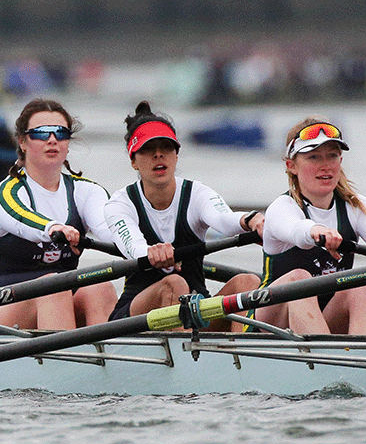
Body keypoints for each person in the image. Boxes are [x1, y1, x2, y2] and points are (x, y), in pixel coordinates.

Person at [103, 101, 266, 322]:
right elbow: (132, 245)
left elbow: (224, 219)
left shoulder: (197, 193)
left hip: (197, 313)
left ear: (176, 155)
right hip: (135, 319)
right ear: (133, 160)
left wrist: (252, 220)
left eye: (166, 147)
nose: (159, 155)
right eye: (148, 149)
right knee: (174, 284)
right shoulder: (120, 203)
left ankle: (239, 353)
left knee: (247, 282)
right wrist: (150, 253)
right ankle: (187, 353)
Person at [0, 99, 117, 329]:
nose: (52, 140)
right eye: (41, 133)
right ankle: (66, 361)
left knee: (101, 287)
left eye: (61, 133)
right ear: (22, 142)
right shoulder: (7, 192)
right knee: (52, 287)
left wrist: (148, 248)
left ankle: (109, 359)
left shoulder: (87, 191)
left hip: (62, 295)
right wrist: (53, 229)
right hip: (7, 307)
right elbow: (20, 217)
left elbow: (111, 231)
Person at [248, 117, 366, 335]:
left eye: (332, 156)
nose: (326, 165)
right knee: (299, 278)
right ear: (291, 166)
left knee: (364, 283)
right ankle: (327, 361)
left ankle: (364, 358)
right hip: (271, 321)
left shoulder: (358, 207)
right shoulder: (282, 207)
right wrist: (316, 231)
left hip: (326, 316)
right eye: (313, 157)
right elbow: (297, 230)